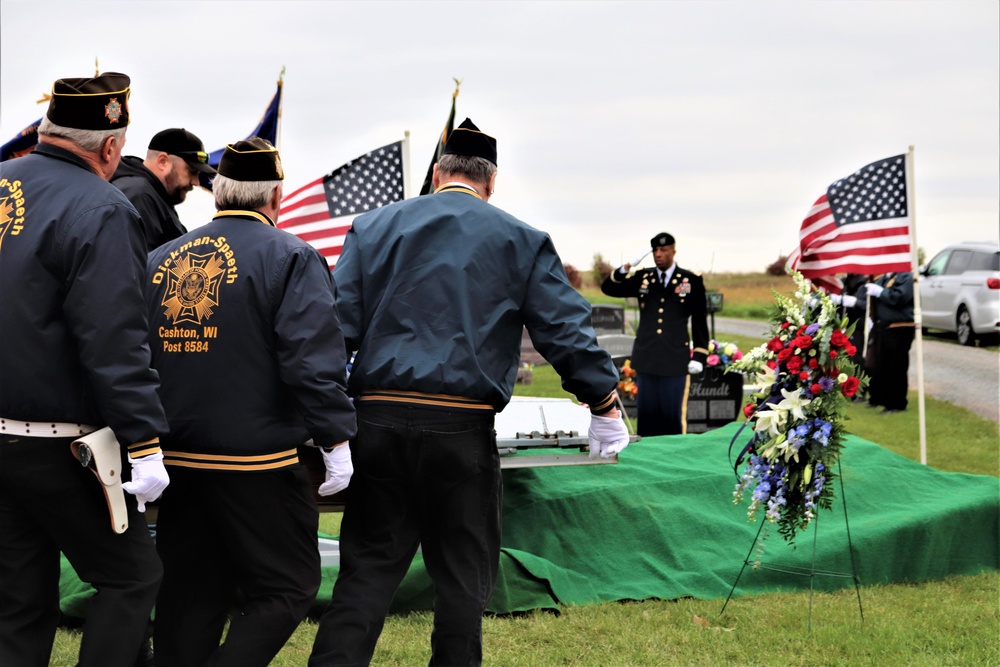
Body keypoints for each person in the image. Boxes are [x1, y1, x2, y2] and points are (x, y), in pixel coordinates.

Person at [308, 118, 629, 667]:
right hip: (460, 427)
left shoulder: (374, 227)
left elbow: (335, 329)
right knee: (461, 580)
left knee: (366, 575)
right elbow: (564, 330)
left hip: (377, 421)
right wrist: (603, 401)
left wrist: (326, 420)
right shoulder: (520, 240)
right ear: (492, 181)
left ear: (438, 173)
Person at [144, 137, 356, 667]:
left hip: (177, 458)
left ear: (217, 192)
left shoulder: (158, 259)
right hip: (256, 462)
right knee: (288, 585)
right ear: (277, 195)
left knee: (190, 594)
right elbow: (311, 361)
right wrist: (335, 437)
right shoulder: (293, 257)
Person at [0, 71, 170, 667]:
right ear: (112, 146)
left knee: (19, 597)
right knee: (130, 578)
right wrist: (145, 442)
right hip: (59, 445)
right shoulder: (102, 206)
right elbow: (114, 339)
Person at [600, 233, 710, 436]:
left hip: (675, 360)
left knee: (672, 420)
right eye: (655, 251)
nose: (659, 255)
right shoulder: (644, 277)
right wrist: (626, 268)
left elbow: (699, 321)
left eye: (664, 250)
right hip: (647, 359)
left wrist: (700, 356)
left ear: (673, 251)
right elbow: (608, 288)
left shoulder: (690, 280)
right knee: (647, 419)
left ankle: (673, 462)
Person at [112, 127, 216, 250]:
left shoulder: (154, 195)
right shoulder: (138, 196)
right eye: (191, 171)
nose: (196, 182)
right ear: (163, 162)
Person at [860, 272, 915, 413]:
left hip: (900, 326)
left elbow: (900, 297)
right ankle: (881, 399)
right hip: (883, 326)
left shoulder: (905, 276)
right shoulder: (884, 277)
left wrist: (881, 292)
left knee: (896, 367)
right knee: (882, 366)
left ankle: (896, 403)